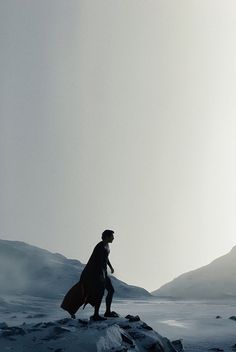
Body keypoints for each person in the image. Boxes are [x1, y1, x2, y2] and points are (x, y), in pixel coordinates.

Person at [61, 229, 119, 321]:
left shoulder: (107, 246)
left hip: (102, 272)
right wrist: (101, 274)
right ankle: (95, 315)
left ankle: (107, 312)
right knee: (98, 293)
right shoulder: (100, 246)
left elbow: (105, 258)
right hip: (94, 273)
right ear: (107, 237)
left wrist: (110, 267)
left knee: (111, 290)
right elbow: (99, 261)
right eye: (112, 236)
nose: (113, 238)